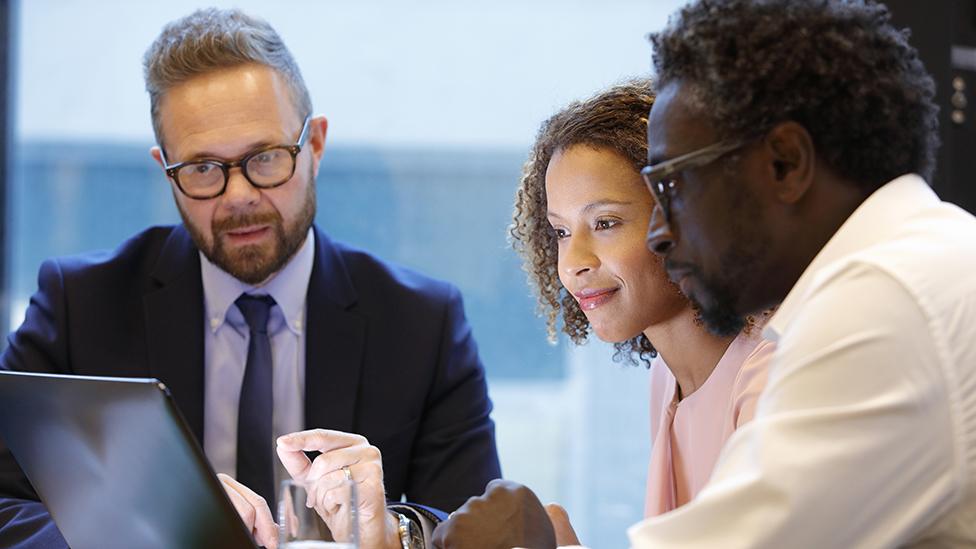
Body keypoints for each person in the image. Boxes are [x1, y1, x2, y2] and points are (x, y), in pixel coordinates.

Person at [433, 1, 976, 547]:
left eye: (673, 184)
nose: (663, 232)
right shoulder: (923, 260)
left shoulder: (882, 304)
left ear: (785, 162)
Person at [0, 8, 500, 549]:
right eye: (202, 168)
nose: (238, 196)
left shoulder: (421, 323)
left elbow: (475, 525)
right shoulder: (80, 305)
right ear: (164, 167)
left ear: (315, 145)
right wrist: (138, 532)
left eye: (265, 158)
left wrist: (392, 531)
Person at [508, 79, 772, 539]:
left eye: (605, 223)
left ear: (690, 217)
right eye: (561, 232)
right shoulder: (665, 379)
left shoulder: (770, 378)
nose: (573, 265)